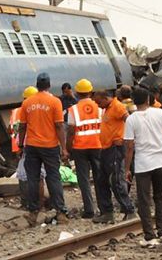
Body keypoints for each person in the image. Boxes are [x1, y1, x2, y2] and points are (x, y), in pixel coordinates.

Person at [124, 87, 162, 245]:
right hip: (161, 161)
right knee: (160, 197)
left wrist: (127, 168)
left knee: (144, 200)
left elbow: (129, 147)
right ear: (148, 100)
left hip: (143, 164)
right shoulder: (160, 113)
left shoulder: (131, 119)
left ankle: (149, 236)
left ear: (134, 102)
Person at [19, 73, 69, 223]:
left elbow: (22, 126)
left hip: (32, 146)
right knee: (53, 178)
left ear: (37, 85)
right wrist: (64, 147)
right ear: (49, 85)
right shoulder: (55, 102)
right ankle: (60, 212)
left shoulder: (27, 103)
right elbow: (59, 125)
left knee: (33, 179)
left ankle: (33, 212)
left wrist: (21, 145)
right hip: (50, 146)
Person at [93, 89, 136, 223]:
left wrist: (124, 137)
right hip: (106, 148)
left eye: (99, 102)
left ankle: (129, 210)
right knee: (101, 180)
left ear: (106, 98)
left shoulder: (117, 106)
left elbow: (129, 120)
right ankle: (107, 212)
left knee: (116, 180)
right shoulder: (107, 109)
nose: (98, 105)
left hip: (115, 148)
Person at [66, 78, 103, 219]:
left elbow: (70, 131)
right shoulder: (99, 109)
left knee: (84, 179)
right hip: (97, 146)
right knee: (100, 178)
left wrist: (68, 149)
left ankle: (89, 210)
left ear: (77, 93)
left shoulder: (73, 110)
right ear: (90, 92)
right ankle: (103, 207)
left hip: (80, 148)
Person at [11, 86, 39, 208]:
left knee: (22, 174)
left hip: (22, 145)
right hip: (36, 145)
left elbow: (12, 128)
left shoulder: (17, 111)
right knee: (38, 175)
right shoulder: (38, 110)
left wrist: (20, 146)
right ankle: (37, 203)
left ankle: (25, 202)